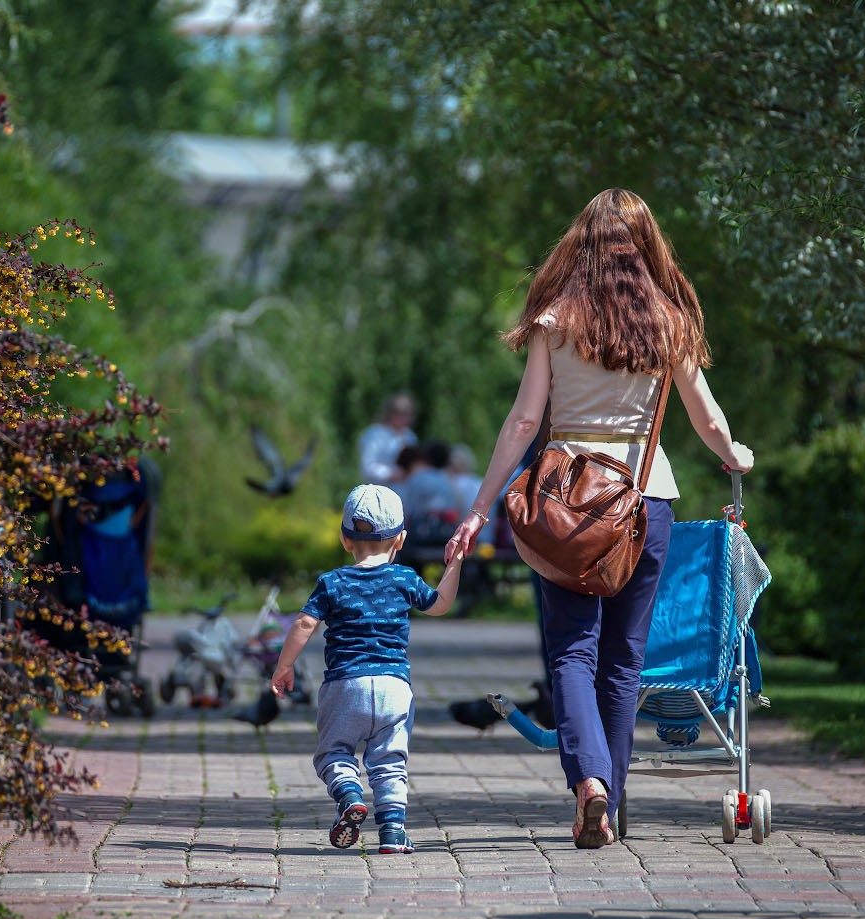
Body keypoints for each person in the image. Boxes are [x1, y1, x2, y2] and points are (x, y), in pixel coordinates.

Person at [444, 188, 755, 849]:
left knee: (571, 651)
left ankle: (589, 786)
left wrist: (478, 508)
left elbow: (525, 420)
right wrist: (736, 455)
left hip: (565, 505)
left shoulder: (555, 318)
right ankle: (608, 802)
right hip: (646, 504)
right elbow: (706, 417)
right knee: (623, 662)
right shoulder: (668, 323)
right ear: (645, 248)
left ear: (580, 246)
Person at [271, 484, 465, 855]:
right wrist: (454, 563)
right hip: (394, 687)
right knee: (390, 760)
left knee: (334, 753)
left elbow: (303, 625)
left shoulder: (333, 582)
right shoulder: (404, 578)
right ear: (401, 539)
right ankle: (393, 833)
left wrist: (284, 666)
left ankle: (349, 797)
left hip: (345, 685)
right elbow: (440, 605)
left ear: (345, 540)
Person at [357, 392, 418, 483]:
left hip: (405, 490)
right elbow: (368, 467)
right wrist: (391, 474)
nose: (405, 419)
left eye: (408, 415)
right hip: (378, 489)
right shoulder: (375, 434)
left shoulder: (410, 436)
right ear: (390, 414)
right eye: (401, 414)